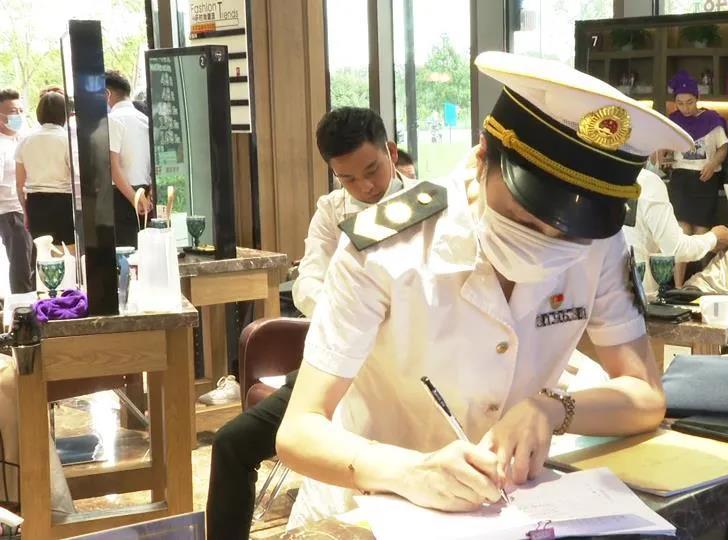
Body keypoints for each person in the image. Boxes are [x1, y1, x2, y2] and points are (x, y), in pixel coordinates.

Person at [277, 51, 693, 528]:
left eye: (568, 233)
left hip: (506, 515)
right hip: (365, 514)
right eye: (524, 218)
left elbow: (645, 396)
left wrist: (551, 409)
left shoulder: (600, 243)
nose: (545, 241)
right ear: (482, 158)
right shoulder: (385, 247)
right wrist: (409, 471)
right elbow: (299, 431)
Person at [206, 107, 417, 540]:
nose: (365, 187)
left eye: (372, 170)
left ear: (391, 152)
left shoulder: (428, 206)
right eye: (347, 178)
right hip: (334, 369)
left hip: (403, 371)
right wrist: (346, 318)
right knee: (231, 443)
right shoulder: (332, 210)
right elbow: (308, 282)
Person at [662, 70, 728, 286]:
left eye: (689, 102)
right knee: (681, 232)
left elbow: (723, 148)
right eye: (680, 103)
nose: (685, 108)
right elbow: (664, 149)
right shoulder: (673, 121)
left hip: (705, 178)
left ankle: (703, 284)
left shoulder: (712, 120)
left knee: (702, 232)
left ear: (697, 99)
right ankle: (678, 285)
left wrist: (713, 163)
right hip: (681, 179)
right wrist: (663, 155)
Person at [624, 169, 728, 295]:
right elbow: (674, 248)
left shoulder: (606, 177)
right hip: (638, 293)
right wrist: (713, 238)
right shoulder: (648, 182)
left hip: (608, 288)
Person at [15, 90, 75, 246]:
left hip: (35, 204)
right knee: (67, 251)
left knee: (42, 252)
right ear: (64, 114)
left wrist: (25, 211)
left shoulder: (25, 141)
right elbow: (77, 176)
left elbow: (19, 184)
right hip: (64, 202)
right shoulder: (67, 140)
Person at [106, 70, 152, 247]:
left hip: (122, 195)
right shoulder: (145, 119)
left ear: (107, 94)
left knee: (125, 252)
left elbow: (113, 165)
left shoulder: (112, 120)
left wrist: (134, 199)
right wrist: (148, 195)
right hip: (145, 193)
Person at [0, 90, 34, 294]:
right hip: (10, 211)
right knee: (21, 263)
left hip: (28, 207)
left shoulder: (24, 139)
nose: (18, 115)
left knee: (31, 261)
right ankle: (22, 305)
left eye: (21, 110)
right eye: (13, 111)